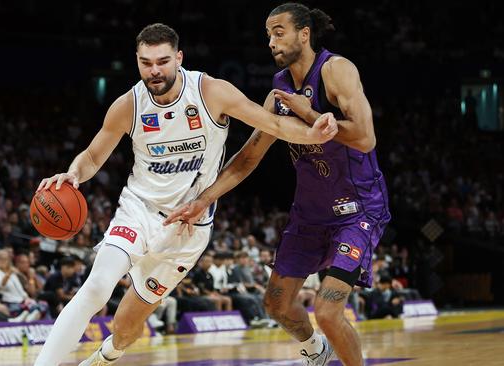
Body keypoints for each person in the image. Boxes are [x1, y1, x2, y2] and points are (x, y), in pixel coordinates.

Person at [33, 23, 337, 366]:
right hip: (139, 210)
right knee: (97, 287)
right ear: (137, 61)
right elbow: (91, 157)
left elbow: (274, 125)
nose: (155, 70)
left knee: (125, 328)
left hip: (186, 230)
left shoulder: (211, 92)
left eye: (162, 61)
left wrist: (313, 133)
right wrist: (73, 174)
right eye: (146, 62)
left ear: (179, 58)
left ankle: (105, 357)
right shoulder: (128, 105)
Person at [164, 4, 390, 365]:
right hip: (309, 216)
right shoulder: (278, 93)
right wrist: (202, 200)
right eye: (268, 34)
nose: (271, 41)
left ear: (305, 33)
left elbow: (365, 138)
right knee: (276, 305)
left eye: (279, 31)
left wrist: (309, 112)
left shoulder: (336, 70)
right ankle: (316, 351)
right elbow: (249, 157)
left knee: (329, 312)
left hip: (357, 209)